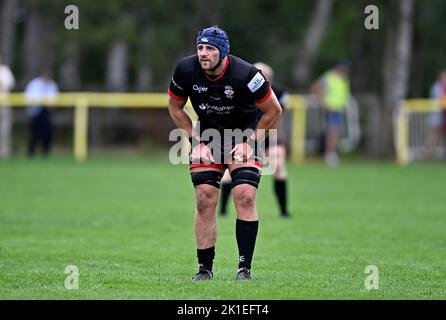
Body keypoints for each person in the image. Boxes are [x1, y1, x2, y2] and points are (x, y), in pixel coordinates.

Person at [167, 26, 282, 281]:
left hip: (245, 137)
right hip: (208, 138)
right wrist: (195, 140)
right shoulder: (185, 70)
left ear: (223, 52)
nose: (203, 53)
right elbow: (175, 107)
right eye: (200, 48)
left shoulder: (248, 74)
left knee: (245, 196)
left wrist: (250, 142)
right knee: (204, 199)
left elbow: (274, 110)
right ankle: (204, 270)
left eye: (210, 48)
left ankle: (244, 269)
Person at [219, 62, 291, 218]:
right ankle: (223, 211)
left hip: (269, 135)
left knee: (278, 165)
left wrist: (276, 139)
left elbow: (278, 118)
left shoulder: (279, 92)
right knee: (229, 171)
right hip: (245, 136)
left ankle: (284, 211)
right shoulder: (241, 89)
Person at [311, 60, 350, 166]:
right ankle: (329, 155)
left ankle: (332, 153)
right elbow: (315, 88)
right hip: (330, 109)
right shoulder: (329, 77)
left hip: (338, 109)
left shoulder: (343, 79)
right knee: (331, 133)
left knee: (335, 133)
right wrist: (323, 103)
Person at [25, 70, 59, 157]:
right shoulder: (34, 84)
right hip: (35, 112)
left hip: (47, 112)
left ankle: (45, 153)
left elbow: (55, 100)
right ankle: (31, 153)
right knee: (35, 134)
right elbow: (28, 98)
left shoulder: (52, 84)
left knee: (48, 133)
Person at [426, 71, 446, 159]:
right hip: (436, 117)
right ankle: (428, 155)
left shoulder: (442, 87)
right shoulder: (436, 88)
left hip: (441, 117)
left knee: (440, 136)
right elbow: (440, 101)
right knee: (433, 136)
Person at [0, 55, 16, 158]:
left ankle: (4, 152)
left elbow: (8, 84)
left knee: (5, 128)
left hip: (4, 103)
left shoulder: (5, 71)